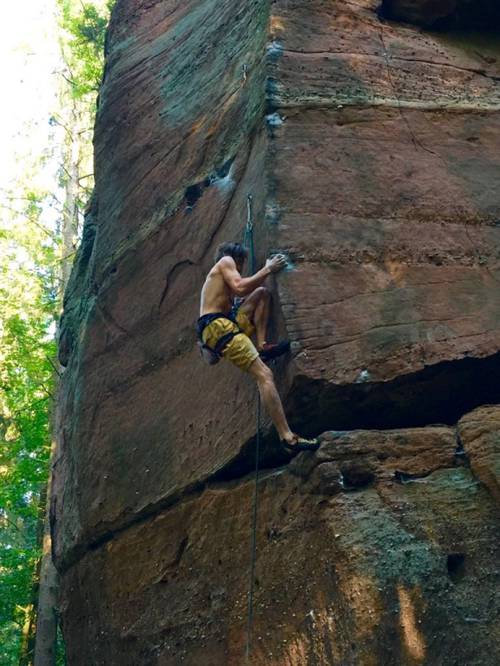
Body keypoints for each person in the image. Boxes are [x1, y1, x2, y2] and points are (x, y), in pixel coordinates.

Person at [197, 241, 319, 452]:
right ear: (237, 258)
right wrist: (268, 268)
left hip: (222, 326)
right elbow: (240, 286)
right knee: (264, 375)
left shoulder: (217, 283)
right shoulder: (225, 261)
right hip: (220, 328)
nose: (240, 270)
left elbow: (243, 291)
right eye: (241, 266)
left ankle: (262, 346)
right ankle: (287, 437)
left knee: (262, 294)